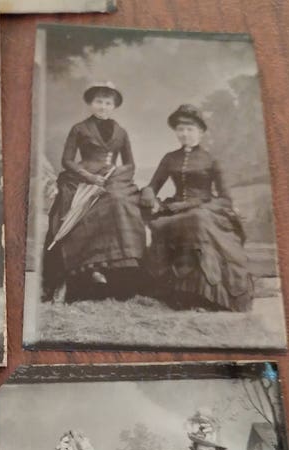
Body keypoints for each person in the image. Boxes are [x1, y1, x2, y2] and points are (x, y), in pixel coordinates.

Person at [140, 104, 253, 311]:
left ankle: (204, 297)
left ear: (200, 132)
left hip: (206, 209)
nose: (184, 134)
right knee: (163, 223)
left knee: (196, 220)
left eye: (190, 129)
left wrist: (195, 204)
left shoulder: (211, 159)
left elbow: (226, 198)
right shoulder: (170, 158)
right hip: (175, 208)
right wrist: (148, 194)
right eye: (180, 129)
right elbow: (153, 186)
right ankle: (176, 294)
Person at [42, 82, 147, 302]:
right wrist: (89, 177)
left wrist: (117, 172)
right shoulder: (79, 128)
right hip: (83, 176)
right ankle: (83, 271)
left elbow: (130, 164)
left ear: (114, 106)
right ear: (91, 104)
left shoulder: (121, 131)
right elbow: (67, 160)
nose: (103, 106)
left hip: (112, 179)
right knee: (79, 208)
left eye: (108, 103)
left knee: (119, 202)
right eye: (99, 101)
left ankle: (115, 271)